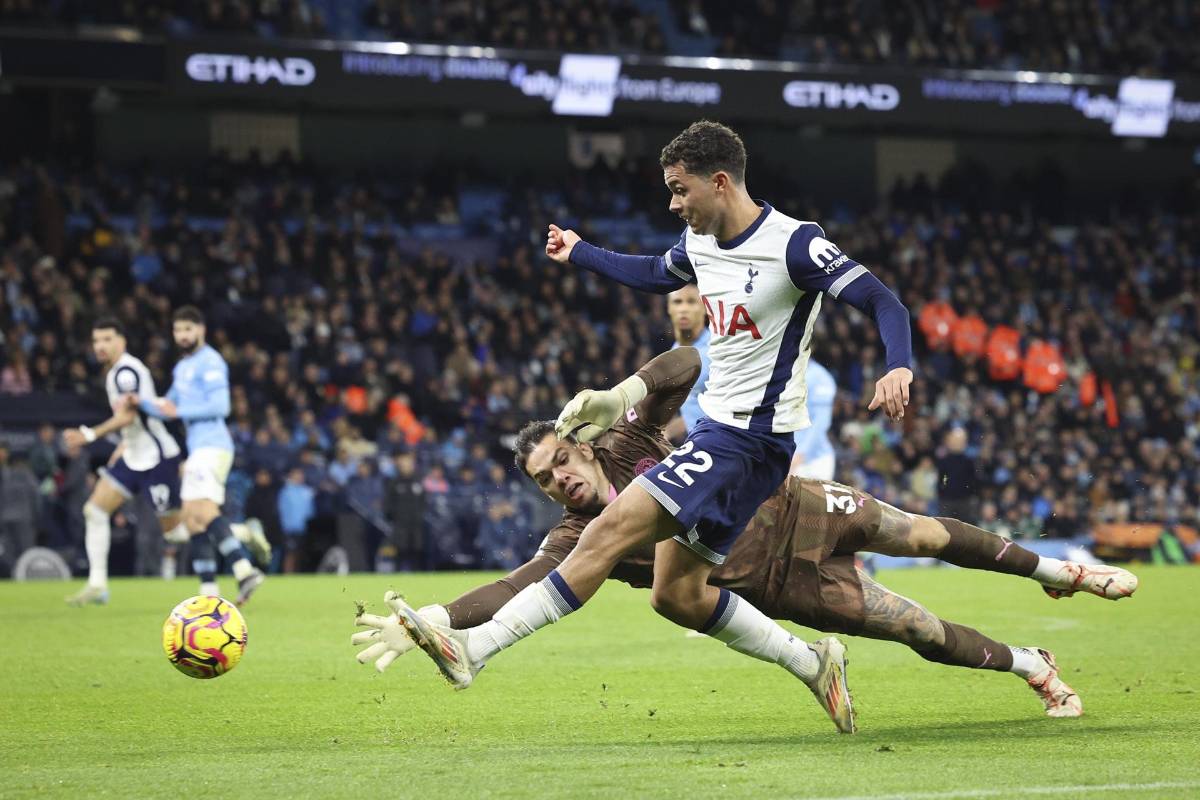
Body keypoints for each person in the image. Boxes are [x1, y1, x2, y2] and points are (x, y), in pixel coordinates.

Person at [385, 121, 913, 718]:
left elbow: (882, 300)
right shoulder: (700, 245)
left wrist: (897, 366)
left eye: (679, 189)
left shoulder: (795, 244)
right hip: (721, 433)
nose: (672, 203)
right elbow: (655, 273)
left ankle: (476, 649)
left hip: (752, 438)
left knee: (606, 530)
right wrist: (580, 251)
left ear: (719, 181)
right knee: (676, 594)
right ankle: (813, 663)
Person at [355, 348, 1138, 722]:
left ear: (583, 445)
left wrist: (619, 393)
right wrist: (429, 619)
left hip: (796, 504)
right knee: (918, 629)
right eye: (544, 480)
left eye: (561, 460)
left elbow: (683, 368)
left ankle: (1057, 571)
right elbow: (515, 585)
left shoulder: (629, 439)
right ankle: (1032, 664)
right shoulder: (577, 538)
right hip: (776, 583)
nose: (559, 480)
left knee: (925, 533)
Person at [135, 306, 265, 605]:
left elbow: (221, 407)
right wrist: (138, 402)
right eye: (178, 330)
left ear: (201, 330)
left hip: (213, 446)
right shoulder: (182, 368)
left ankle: (245, 570)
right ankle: (209, 592)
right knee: (192, 521)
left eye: (188, 329)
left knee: (202, 512)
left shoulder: (211, 362)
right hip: (198, 449)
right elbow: (166, 407)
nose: (182, 335)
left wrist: (179, 411)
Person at [62, 317, 189, 605]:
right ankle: (97, 585)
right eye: (96, 340)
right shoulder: (116, 372)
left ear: (122, 341)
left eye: (107, 339)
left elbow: (129, 416)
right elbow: (135, 422)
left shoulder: (125, 372)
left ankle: (237, 532)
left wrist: (89, 434)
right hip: (134, 456)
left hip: (157, 458)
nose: (101, 346)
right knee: (94, 510)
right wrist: (123, 446)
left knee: (176, 533)